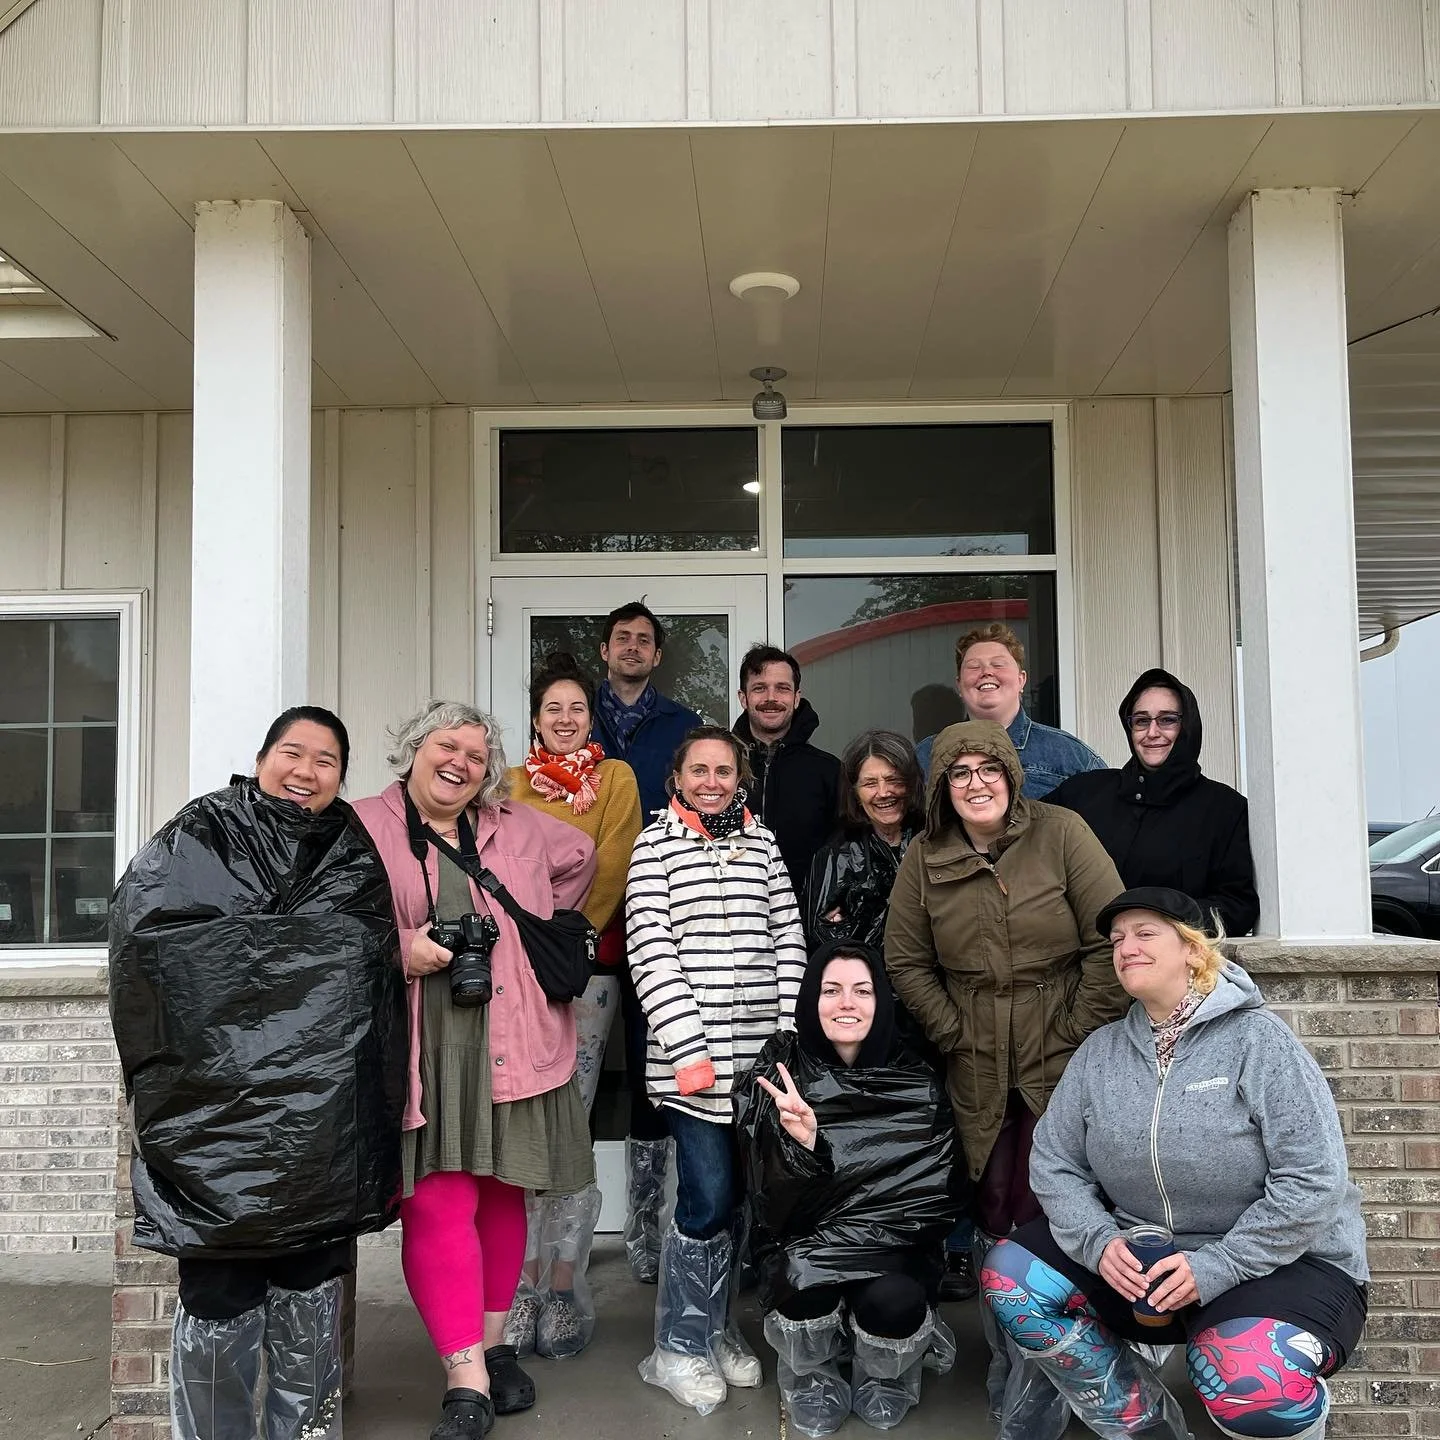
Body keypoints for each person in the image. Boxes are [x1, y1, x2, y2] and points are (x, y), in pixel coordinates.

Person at [109, 706, 406, 1440]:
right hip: (216, 1122)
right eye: (293, 753)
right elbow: (152, 950)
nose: (306, 771)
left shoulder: (349, 850)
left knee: (310, 1283)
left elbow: (361, 969)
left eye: (326, 760)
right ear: (262, 756)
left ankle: (307, 1432)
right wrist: (275, 962)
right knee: (218, 1290)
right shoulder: (200, 834)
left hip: (320, 1126)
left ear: (343, 775)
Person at [982, 887, 1368, 1440]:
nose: (1126, 948)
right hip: (1145, 1263)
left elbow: (1314, 1181)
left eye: (1145, 934)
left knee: (1254, 1384)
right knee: (1012, 1276)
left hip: (1278, 1262)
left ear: (1192, 949)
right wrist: (1096, 1240)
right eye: (1117, 939)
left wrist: (1216, 1266)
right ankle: (1142, 1424)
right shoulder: (1101, 1052)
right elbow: (1053, 1160)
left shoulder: (1259, 1042)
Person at [354, 701, 597, 1440]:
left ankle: (493, 1345)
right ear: (412, 748)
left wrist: (531, 937)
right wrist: (402, 947)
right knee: (436, 1203)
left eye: (476, 753)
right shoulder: (363, 825)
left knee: (500, 1196)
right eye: (446, 744)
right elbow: (332, 926)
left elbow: (580, 859)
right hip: (423, 1041)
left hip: (515, 1034)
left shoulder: (518, 825)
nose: (460, 761)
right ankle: (465, 1375)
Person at [883, 718, 1127, 1433]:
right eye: (960, 773)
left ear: (1012, 775)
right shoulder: (925, 856)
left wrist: (1074, 1026)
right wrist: (954, 1029)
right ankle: (1011, 1362)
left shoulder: (1062, 833)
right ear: (943, 788)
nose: (976, 783)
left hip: (1064, 1049)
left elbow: (1108, 937)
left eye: (989, 769)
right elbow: (905, 960)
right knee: (994, 1207)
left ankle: (1064, 1364)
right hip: (977, 1055)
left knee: (1059, 1204)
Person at [626, 725, 808, 1414]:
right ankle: (677, 1344)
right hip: (692, 1066)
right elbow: (650, 949)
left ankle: (718, 1326)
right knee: (704, 1198)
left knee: (738, 1201)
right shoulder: (655, 845)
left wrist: (787, 1035)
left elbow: (787, 933)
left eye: (723, 770)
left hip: (758, 1063)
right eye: (698, 769)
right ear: (676, 779)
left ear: (740, 779)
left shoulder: (760, 842)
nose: (712, 780)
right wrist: (688, 1048)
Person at [734, 941, 964, 1436]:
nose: (846, 1004)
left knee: (895, 1300)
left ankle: (882, 1377)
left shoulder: (916, 1081)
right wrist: (805, 1147)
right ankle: (813, 1376)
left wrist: (848, 1238)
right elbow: (771, 1208)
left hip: (892, 1248)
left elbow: (930, 1202)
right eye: (831, 990)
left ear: (881, 1001)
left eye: (862, 991)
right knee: (800, 1279)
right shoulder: (782, 1073)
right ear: (810, 1001)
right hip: (803, 1239)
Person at [501, 652, 643, 1359]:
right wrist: (524, 945)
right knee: (523, 1126)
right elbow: (494, 870)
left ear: (593, 718)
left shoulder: (614, 780)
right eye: (552, 709)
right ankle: (522, 1287)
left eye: (577, 710)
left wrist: (568, 938)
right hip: (514, 975)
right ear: (535, 719)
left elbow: (613, 861)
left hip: (585, 970)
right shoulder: (509, 784)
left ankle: (562, 1284)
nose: (565, 720)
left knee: (571, 1117)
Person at [590, 600, 702, 1283]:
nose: (632, 647)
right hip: (587, 929)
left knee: (654, 1068)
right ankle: (558, 1235)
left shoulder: (683, 727)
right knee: (576, 1075)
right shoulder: (575, 722)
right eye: (622, 639)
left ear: (657, 656)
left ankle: (648, 1228)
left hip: (667, 923)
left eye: (644, 641)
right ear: (605, 650)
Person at [1046, 668, 1260, 935]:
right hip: (1083, 964)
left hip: (1173, 969)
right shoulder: (1083, 793)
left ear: (1188, 726)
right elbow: (1020, 831)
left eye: (1167, 720)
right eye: (1141, 721)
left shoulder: (1225, 809)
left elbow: (1237, 908)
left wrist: (1162, 919)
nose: (1152, 732)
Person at [913, 623, 1104, 797]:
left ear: (1021, 680)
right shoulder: (925, 755)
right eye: (973, 666)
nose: (986, 672)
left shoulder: (1071, 756)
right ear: (959, 686)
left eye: (998, 664)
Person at [732, 643, 842, 894]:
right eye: (760, 688)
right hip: (733, 918)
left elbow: (847, 849)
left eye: (782, 688)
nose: (771, 698)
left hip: (807, 918)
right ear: (743, 698)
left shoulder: (829, 771)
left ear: (796, 698)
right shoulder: (721, 770)